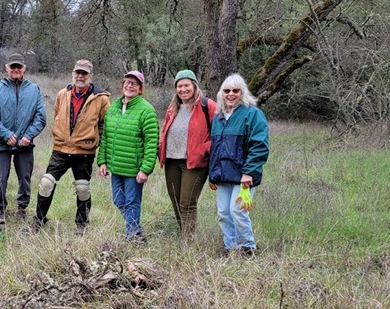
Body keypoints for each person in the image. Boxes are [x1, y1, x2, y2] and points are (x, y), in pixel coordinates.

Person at [34, 59, 110, 234]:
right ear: (73, 74)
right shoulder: (62, 94)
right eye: (78, 72)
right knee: (46, 183)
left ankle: (81, 225)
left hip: (84, 152)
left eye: (84, 73)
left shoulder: (102, 99)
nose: (80, 76)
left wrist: (94, 140)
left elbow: (104, 126)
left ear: (91, 75)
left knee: (82, 188)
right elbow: (58, 116)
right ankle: (38, 221)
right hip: (61, 149)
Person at [208, 73, 270, 256]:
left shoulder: (253, 114)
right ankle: (231, 248)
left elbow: (259, 146)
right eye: (227, 90)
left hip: (243, 176)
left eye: (236, 90)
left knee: (238, 211)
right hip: (223, 176)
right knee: (223, 213)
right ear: (222, 93)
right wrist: (213, 175)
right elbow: (216, 150)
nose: (231, 94)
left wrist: (249, 172)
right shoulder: (218, 118)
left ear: (243, 93)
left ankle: (247, 247)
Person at [97, 71, 159, 240]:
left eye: (134, 83)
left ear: (140, 88)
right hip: (116, 165)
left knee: (132, 201)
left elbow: (152, 142)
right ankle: (136, 230)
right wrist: (102, 160)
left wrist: (145, 169)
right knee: (118, 200)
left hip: (133, 168)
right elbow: (105, 137)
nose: (130, 86)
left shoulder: (146, 110)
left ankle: (131, 237)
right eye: (127, 82)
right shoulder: (113, 108)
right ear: (122, 84)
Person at [158, 69, 218, 238]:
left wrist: (205, 148)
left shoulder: (208, 106)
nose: (183, 89)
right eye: (179, 86)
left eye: (186, 85)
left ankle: (187, 241)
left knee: (187, 202)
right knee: (176, 201)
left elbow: (219, 133)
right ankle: (185, 233)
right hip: (172, 161)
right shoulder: (172, 108)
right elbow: (165, 131)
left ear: (194, 86)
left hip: (195, 163)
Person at [0, 53, 45, 223]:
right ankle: (0, 209)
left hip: (24, 144)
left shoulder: (34, 89)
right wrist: (5, 134)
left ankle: (22, 208)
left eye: (19, 67)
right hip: (1, 142)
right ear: (7, 68)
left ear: (24, 68)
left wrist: (28, 135)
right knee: (0, 178)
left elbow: (41, 116)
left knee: (25, 178)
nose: (16, 70)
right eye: (12, 67)